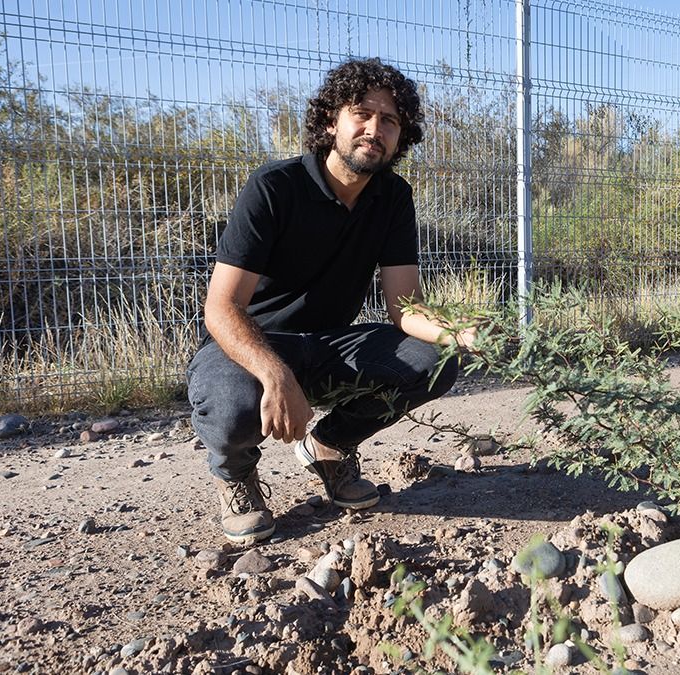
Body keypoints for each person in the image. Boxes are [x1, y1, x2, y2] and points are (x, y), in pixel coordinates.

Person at [186, 58, 472, 544]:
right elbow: (221, 309)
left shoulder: (393, 197)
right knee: (233, 403)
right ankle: (236, 477)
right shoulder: (274, 188)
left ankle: (331, 445)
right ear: (330, 121)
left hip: (332, 344)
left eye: (389, 121)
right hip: (252, 345)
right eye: (361, 113)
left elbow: (404, 308)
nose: (374, 129)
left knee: (438, 359)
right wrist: (275, 374)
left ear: (401, 136)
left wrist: (462, 334)